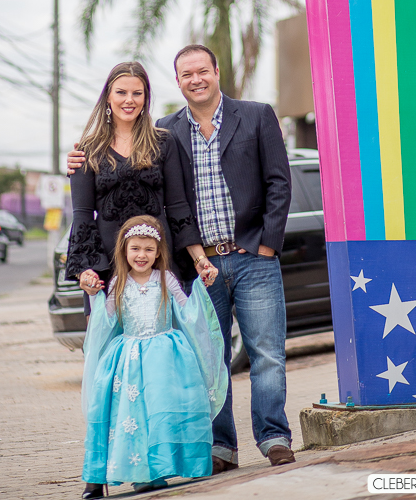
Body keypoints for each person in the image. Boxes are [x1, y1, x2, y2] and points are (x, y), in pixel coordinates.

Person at [69, 44, 294, 472]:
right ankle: (219, 447)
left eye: (202, 71)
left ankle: (273, 437)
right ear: (177, 82)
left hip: (241, 258)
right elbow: (95, 209)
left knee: (266, 353)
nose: (196, 79)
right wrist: (83, 265)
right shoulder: (165, 133)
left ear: (215, 71)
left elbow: (277, 183)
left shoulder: (251, 116)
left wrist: (266, 244)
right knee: (206, 354)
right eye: (186, 73)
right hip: (184, 268)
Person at [80, 215, 227, 498]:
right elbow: (107, 322)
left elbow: (187, 312)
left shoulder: (166, 279)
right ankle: (128, 473)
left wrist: (200, 286)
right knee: (130, 415)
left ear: (158, 252)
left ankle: (156, 470)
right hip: (129, 360)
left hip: (164, 359)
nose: (141, 255)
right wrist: (93, 295)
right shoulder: (117, 283)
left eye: (149, 249)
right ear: (124, 250)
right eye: (135, 248)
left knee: (159, 413)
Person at [65, 62, 216, 304]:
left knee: (163, 339)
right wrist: (85, 270)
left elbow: (178, 207)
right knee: (108, 341)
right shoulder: (87, 150)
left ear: (146, 99)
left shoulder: (164, 143)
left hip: (159, 262)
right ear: (107, 97)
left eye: (137, 93)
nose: (129, 100)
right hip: (107, 267)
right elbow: (82, 216)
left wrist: (199, 259)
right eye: (121, 92)